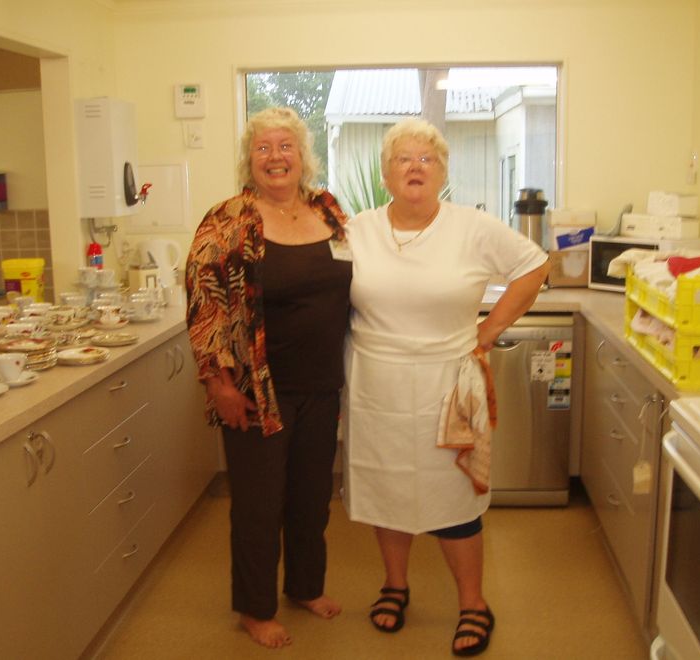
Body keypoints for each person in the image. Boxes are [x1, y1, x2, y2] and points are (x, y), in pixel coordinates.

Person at [342, 118, 550, 657]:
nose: (415, 167)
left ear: (442, 172)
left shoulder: (472, 227)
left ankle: (473, 604)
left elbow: (533, 265)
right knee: (387, 491)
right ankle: (395, 585)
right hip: (375, 384)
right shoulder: (356, 230)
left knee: (454, 497)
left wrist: (490, 329)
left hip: (448, 382)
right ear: (385, 173)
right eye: (403, 159)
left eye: (426, 159)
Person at [185, 107, 352, 649]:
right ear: (249, 159)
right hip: (255, 389)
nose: (275, 157)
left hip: (322, 384)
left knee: (311, 498)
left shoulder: (328, 210)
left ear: (303, 155)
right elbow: (204, 307)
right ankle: (255, 609)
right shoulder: (227, 219)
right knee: (258, 506)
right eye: (263, 148)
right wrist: (219, 385)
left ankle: (305, 587)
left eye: (285, 146)